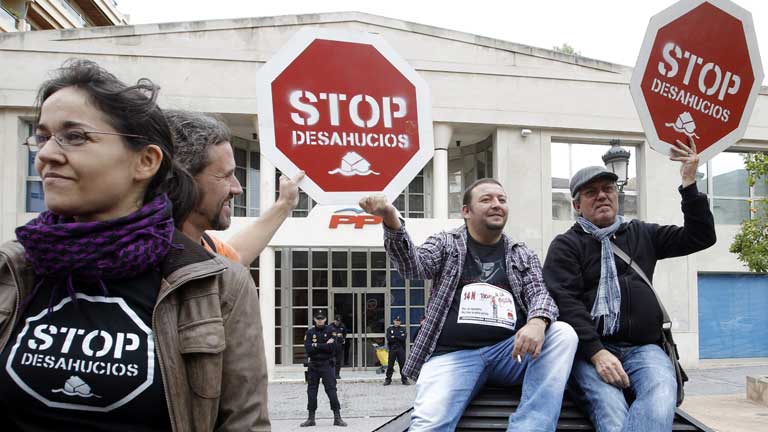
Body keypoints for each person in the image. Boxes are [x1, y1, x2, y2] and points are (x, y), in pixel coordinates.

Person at [0, 60, 269, 430]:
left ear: (145, 161)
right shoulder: (12, 268)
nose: (45, 154)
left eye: (75, 136)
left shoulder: (216, 286)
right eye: (43, 136)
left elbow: (244, 423)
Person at [359, 178, 578, 431]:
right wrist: (390, 218)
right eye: (486, 199)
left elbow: (540, 293)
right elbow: (413, 266)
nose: (496, 204)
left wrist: (538, 322)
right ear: (466, 211)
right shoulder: (446, 243)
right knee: (429, 424)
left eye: (502, 200)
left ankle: (530, 427)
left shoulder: (521, 253)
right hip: (453, 357)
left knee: (563, 334)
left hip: (510, 354)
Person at [543, 138, 716, 432]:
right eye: (591, 192)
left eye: (608, 189)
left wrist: (689, 183)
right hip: (590, 351)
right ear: (576, 205)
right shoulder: (566, 245)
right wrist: (597, 352)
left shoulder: (641, 233)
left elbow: (701, 236)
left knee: (661, 393)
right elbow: (566, 303)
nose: (602, 196)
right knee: (611, 410)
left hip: (644, 349)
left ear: (617, 196)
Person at [166, 109, 303, 265]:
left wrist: (285, 203)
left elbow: (236, 256)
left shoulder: (206, 247)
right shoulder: (153, 265)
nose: (237, 189)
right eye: (225, 176)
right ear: (180, 180)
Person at [301, 310, 347, 427]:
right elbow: (308, 349)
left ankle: (337, 418)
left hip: (327, 365)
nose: (320, 320)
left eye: (322, 318)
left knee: (332, 391)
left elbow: (333, 348)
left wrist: (316, 345)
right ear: (314, 319)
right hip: (314, 366)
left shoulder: (331, 331)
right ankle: (311, 418)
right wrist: (324, 345)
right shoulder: (310, 332)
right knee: (311, 392)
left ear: (325, 319)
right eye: (318, 318)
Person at [383, 315, 409, 386]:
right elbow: (389, 339)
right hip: (392, 348)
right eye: (396, 321)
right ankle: (388, 380)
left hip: (401, 349)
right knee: (390, 365)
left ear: (400, 322)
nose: (397, 322)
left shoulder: (403, 329)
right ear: (393, 321)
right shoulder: (389, 329)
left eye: (399, 321)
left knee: (402, 365)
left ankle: (404, 380)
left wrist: (394, 336)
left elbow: (403, 338)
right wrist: (398, 336)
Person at [328, 315, 347, 379]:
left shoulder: (342, 326)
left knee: (338, 360)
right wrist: (336, 335)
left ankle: (337, 374)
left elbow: (345, 333)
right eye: (336, 321)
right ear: (334, 320)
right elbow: (328, 335)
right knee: (331, 360)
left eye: (339, 321)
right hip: (332, 345)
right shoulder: (330, 326)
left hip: (339, 345)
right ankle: (331, 373)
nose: (337, 322)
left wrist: (343, 339)